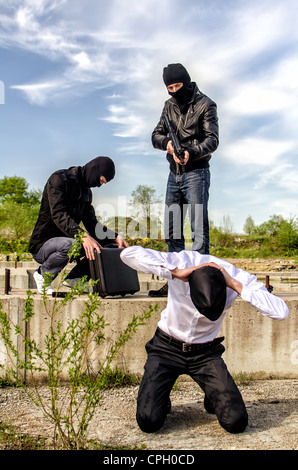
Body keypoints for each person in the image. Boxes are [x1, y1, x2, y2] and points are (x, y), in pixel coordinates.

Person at [120, 245, 289, 434]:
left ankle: (212, 395)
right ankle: (161, 395)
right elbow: (128, 254)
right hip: (165, 348)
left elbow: (281, 312)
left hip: (205, 354)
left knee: (236, 422)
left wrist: (235, 285)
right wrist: (175, 272)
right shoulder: (183, 261)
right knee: (149, 421)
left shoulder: (237, 277)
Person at [149, 63, 219, 297]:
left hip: (197, 173)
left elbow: (212, 140)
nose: (174, 91)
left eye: (178, 86)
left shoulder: (205, 104)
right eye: (170, 87)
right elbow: (155, 135)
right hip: (173, 175)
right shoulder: (168, 106)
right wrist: (167, 145)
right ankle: (175, 284)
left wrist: (192, 151)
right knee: (172, 230)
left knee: (198, 230)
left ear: (187, 82)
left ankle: (201, 286)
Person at [29, 156, 127, 294]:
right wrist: (82, 236)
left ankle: (75, 279)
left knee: (105, 246)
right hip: (43, 245)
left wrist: (115, 237)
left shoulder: (86, 193)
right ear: (94, 170)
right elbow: (59, 214)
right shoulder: (59, 179)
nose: (99, 185)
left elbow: (91, 223)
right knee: (72, 244)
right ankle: (42, 276)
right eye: (100, 180)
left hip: (71, 240)